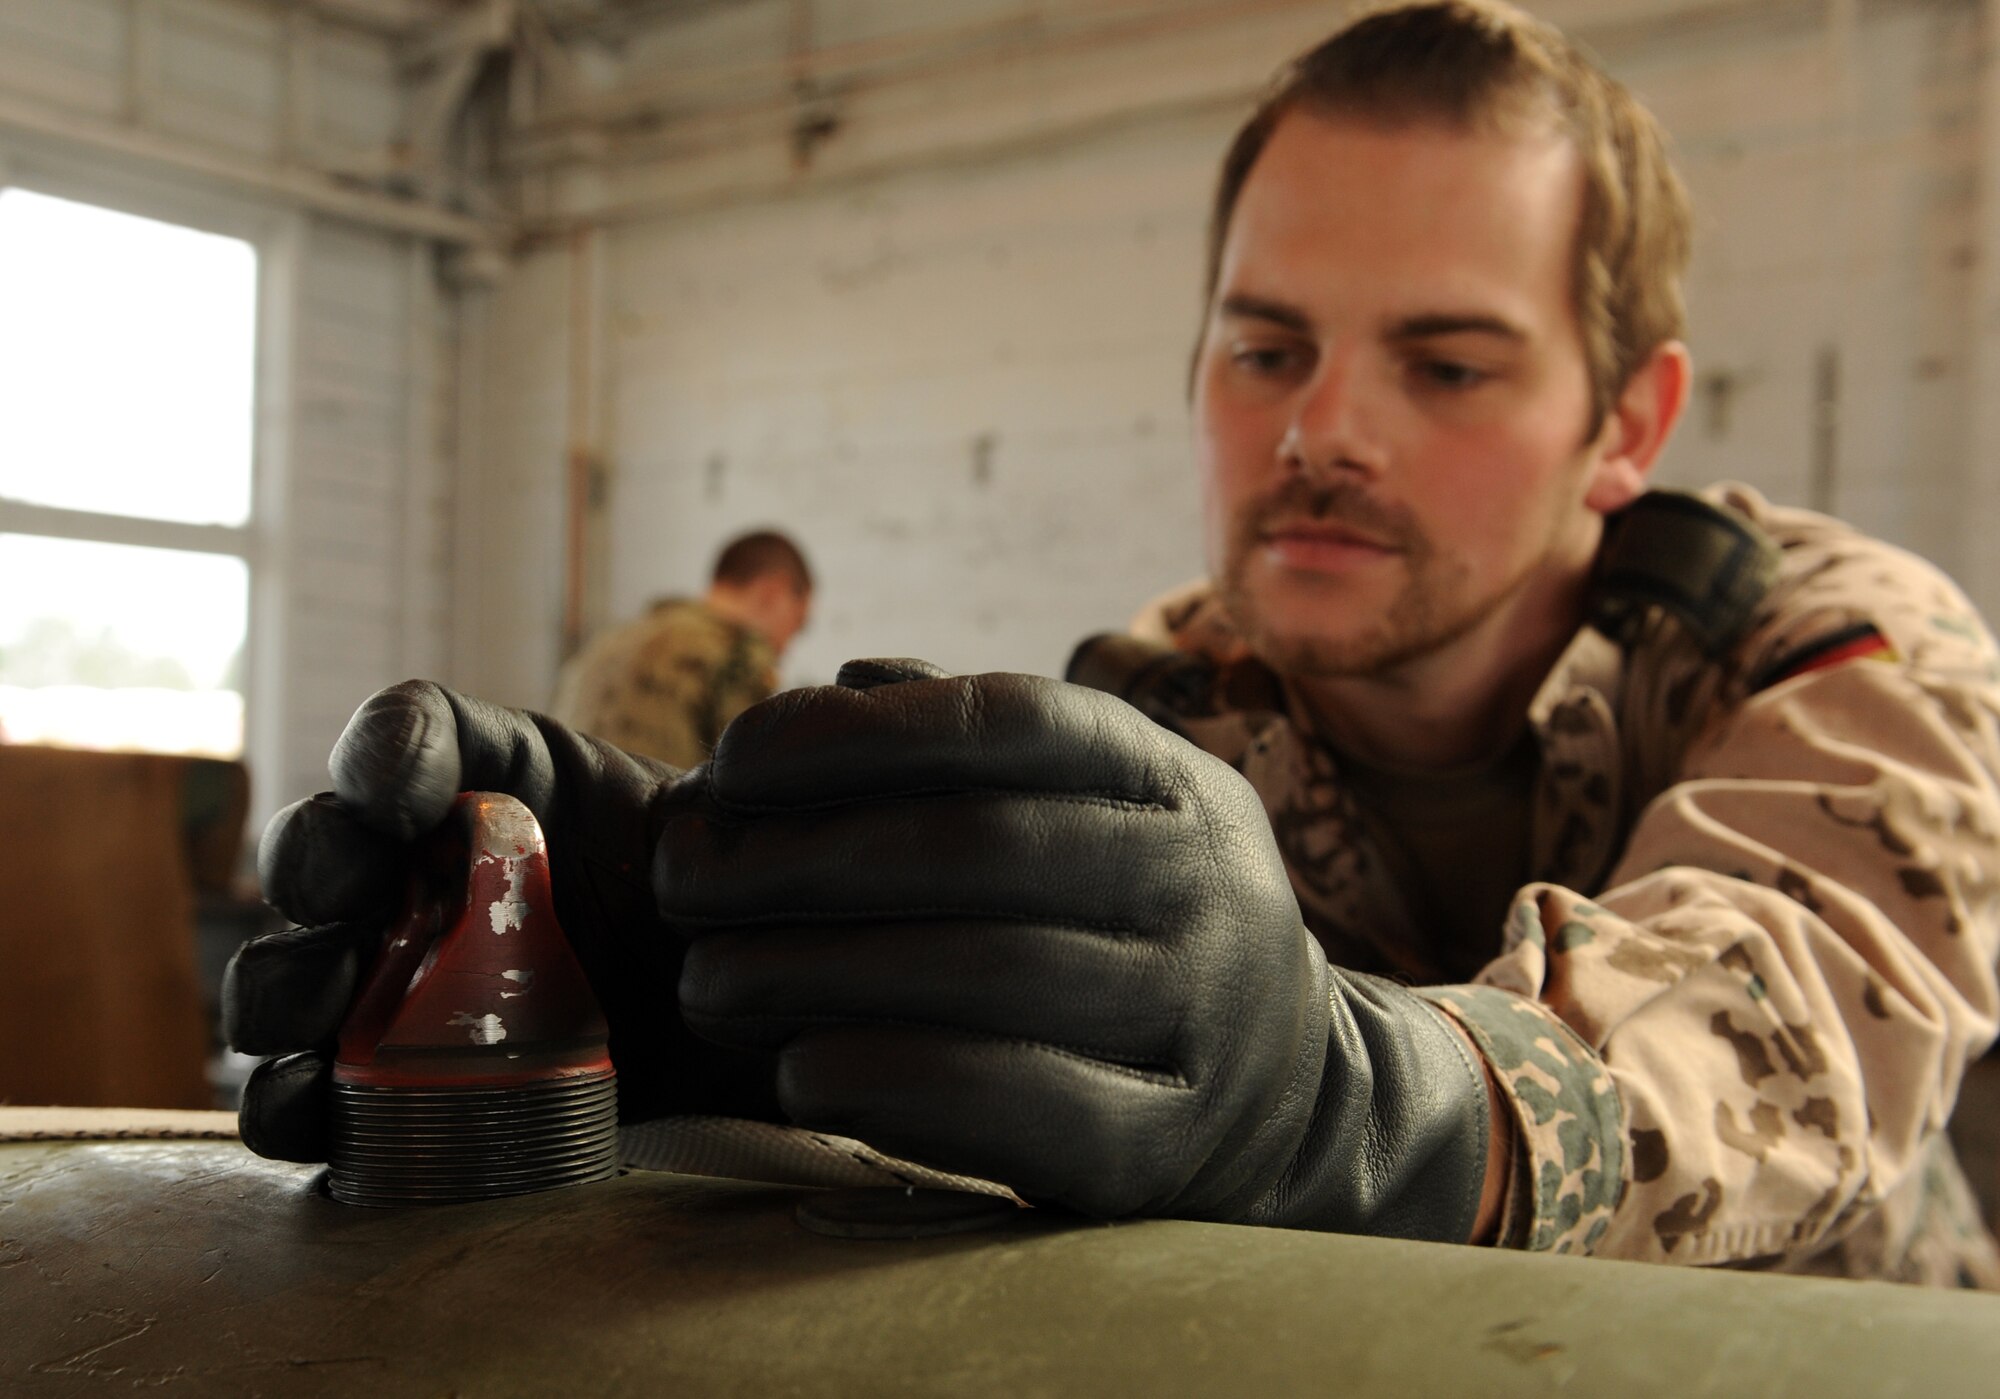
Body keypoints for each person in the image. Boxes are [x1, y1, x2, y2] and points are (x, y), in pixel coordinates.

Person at [228, 1, 2000, 1284]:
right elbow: (1087, 1155)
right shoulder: (1166, 696)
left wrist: (1361, 1104)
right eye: (1266, 347)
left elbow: (1781, 1030)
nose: (1323, 430)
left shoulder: (1826, 650)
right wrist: (729, 998)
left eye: (1445, 365)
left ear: (1629, 421)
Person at [548, 530, 813, 770]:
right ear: (770, 593)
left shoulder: (612, 642)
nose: (787, 648)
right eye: (798, 623)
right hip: (649, 818)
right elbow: (754, 774)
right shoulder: (737, 654)